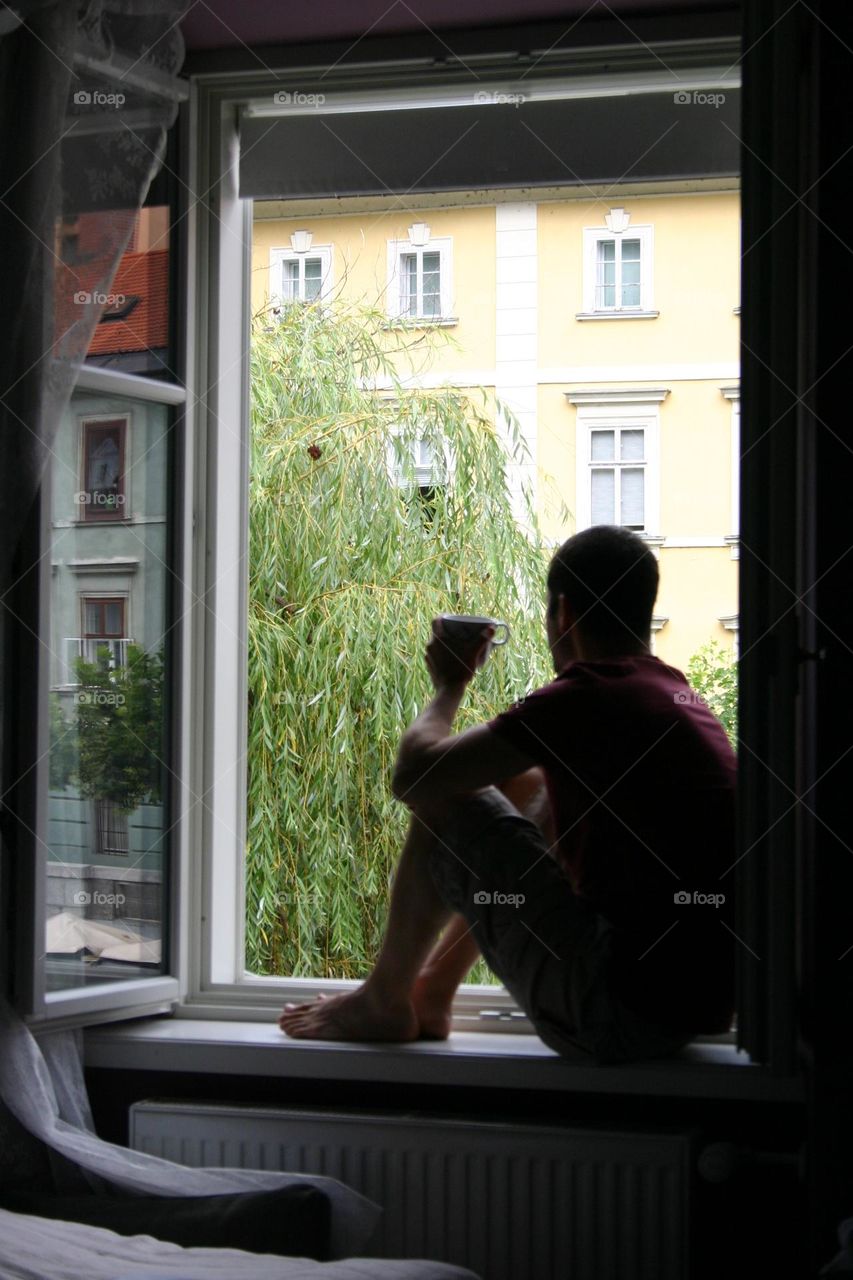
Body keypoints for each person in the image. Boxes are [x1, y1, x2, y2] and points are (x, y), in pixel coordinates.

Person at [279, 525, 737, 1064]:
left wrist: (451, 684)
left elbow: (417, 776)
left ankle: (383, 1000)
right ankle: (432, 992)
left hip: (611, 1015)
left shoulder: (591, 693)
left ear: (563, 614)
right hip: (680, 1014)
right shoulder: (673, 695)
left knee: (449, 797)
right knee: (535, 781)